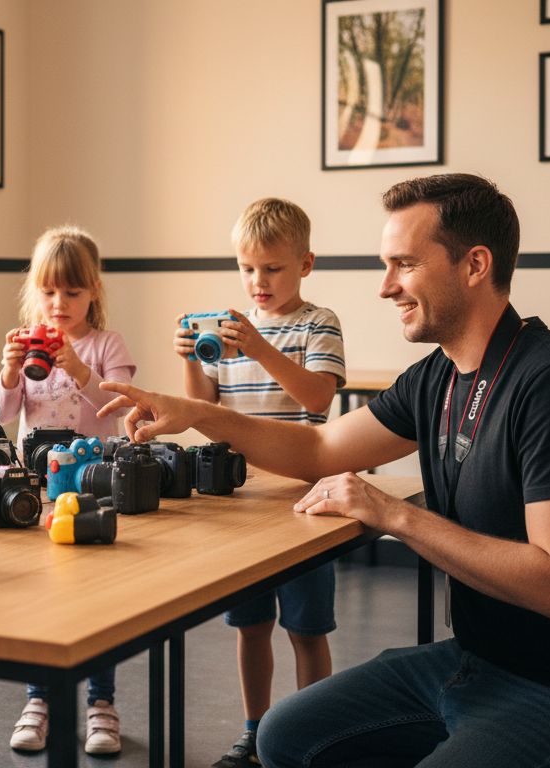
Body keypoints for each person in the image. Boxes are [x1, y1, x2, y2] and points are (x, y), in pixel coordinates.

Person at [97, 174, 550, 767]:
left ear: (474, 265)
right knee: (283, 735)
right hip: (476, 662)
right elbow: (317, 449)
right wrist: (195, 413)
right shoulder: (435, 378)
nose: (385, 287)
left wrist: (393, 514)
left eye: (404, 265)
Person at [177, 198, 345, 768]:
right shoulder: (229, 333)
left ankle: (311, 735)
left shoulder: (317, 323)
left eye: (272, 268)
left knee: (306, 629)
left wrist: (260, 345)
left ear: (306, 264)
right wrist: (191, 361)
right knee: (250, 627)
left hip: (306, 500)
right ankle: (255, 731)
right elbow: (203, 409)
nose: (258, 281)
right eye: (248, 268)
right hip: (244, 500)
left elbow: (318, 398)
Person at [0, 225, 136, 756]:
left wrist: (78, 367)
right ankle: (39, 699)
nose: (60, 303)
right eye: (49, 292)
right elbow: (2, 417)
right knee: (42, 601)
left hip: (94, 489)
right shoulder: (27, 341)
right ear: (36, 289)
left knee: (97, 603)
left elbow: (116, 409)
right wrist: (8, 374)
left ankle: (102, 703)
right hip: (39, 491)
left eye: (72, 292)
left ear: (93, 290)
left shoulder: (105, 344)